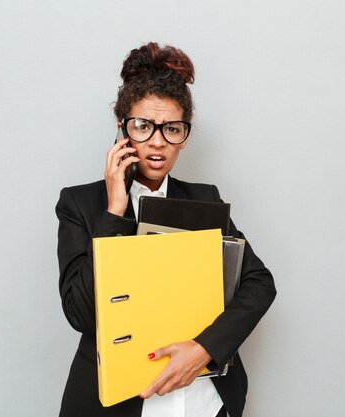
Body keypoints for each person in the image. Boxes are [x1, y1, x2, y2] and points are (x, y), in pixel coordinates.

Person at [55, 42, 276, 417]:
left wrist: (204, 349)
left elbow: (260, 284)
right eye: (143, 126)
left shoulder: (204, 201)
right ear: (122, 129)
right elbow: (80, 314)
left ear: (185, 137)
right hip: (121, 401)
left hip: (201, 399)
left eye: (172, 128)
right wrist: (114, 210)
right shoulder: (80, 204)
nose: (158, 142)